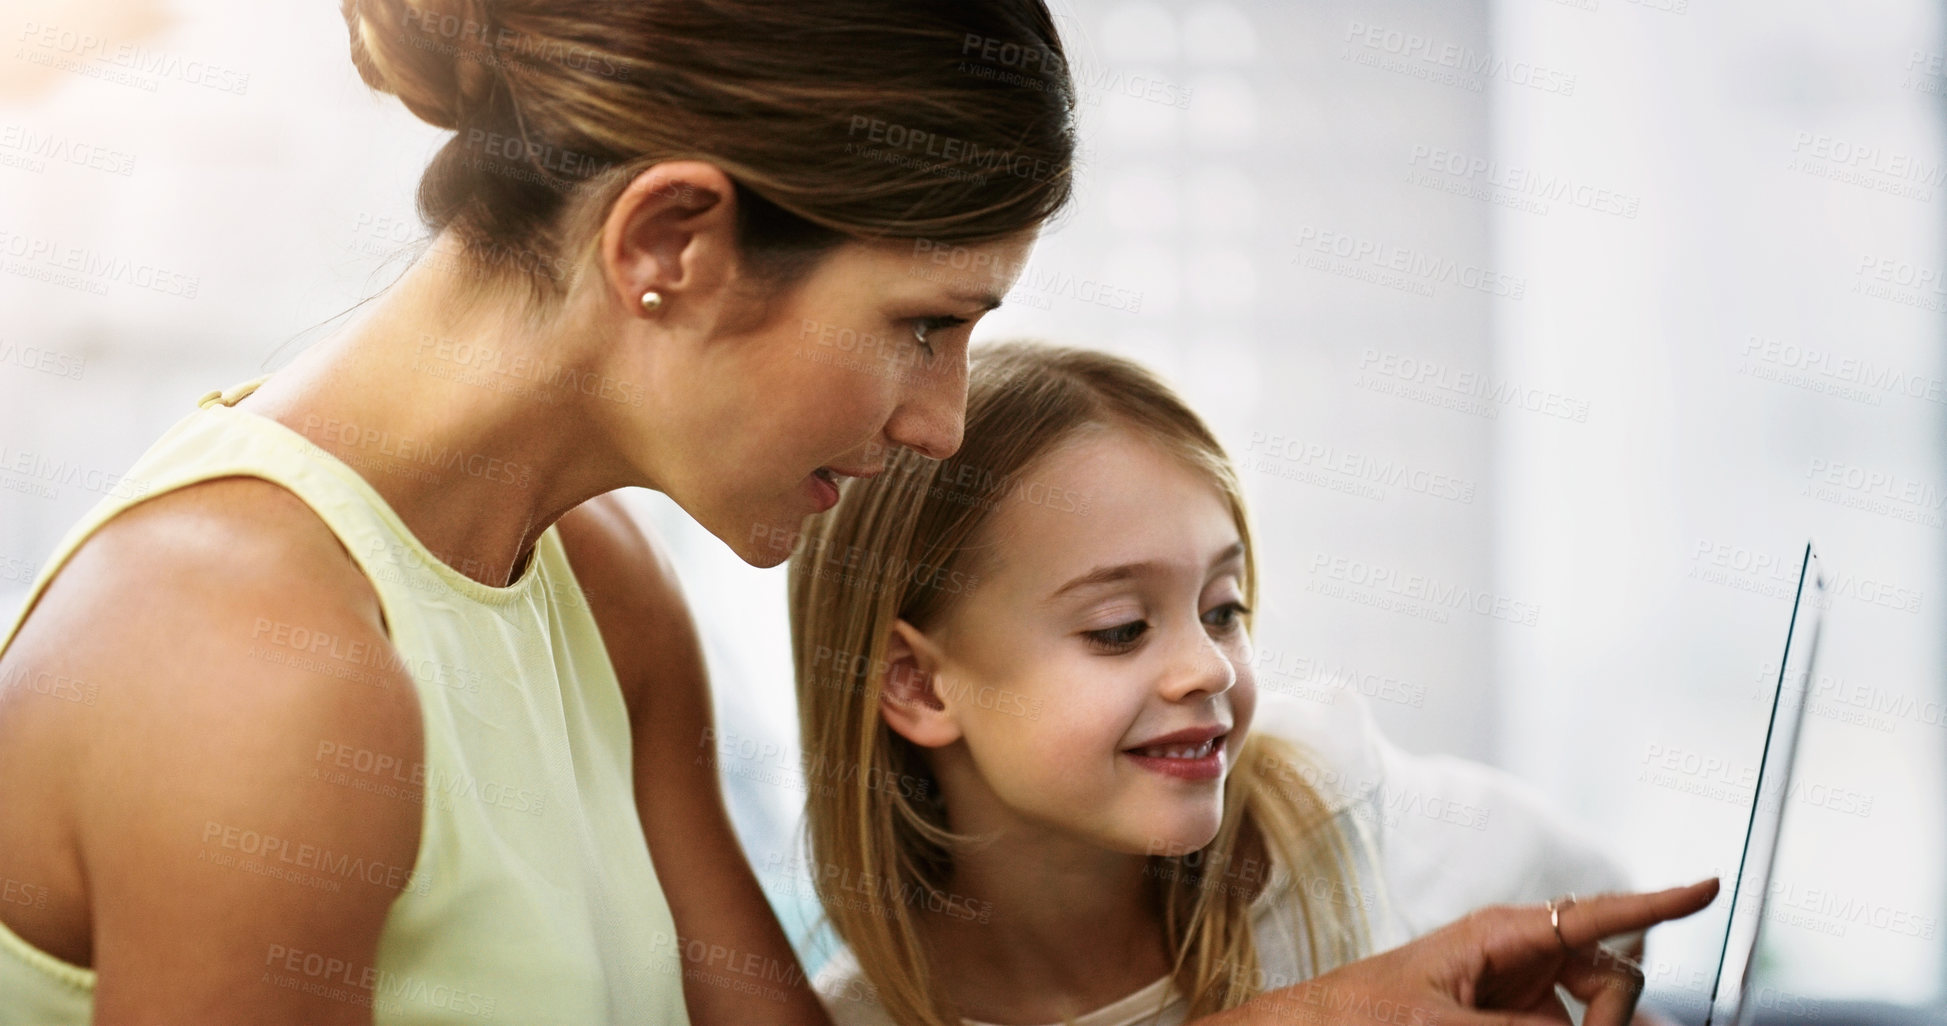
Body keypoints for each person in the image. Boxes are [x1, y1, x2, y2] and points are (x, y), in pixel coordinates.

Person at [0, 3, 1710, 1025]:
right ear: (671, 242)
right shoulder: (251, 660)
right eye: (923, 324)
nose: (939, 420)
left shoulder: (590, 575)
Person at [787, 340, 1716, 1026]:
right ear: (917, 685)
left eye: (1222, 608)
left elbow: (1595, 906)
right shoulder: (865, 1016)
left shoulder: (1315, 793)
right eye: (1119, 629)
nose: (1207, 666)